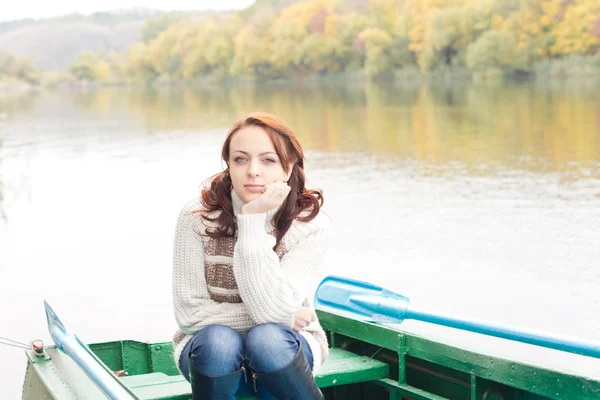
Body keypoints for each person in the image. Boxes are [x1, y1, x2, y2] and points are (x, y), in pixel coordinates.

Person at [171, 112, 332, 399]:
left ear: (289, 166)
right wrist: (287, 316)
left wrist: (252, 222)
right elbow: (190, 314)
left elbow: (272, 313)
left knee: (267, 339)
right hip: (210, 355)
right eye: (240, 159)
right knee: (219, 341)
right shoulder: (196, 218)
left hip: (285, 352)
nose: (253, 171)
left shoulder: (309, 226)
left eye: (268, 160)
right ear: (229, 165)